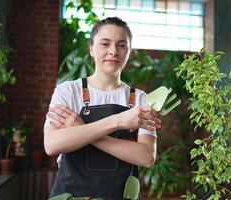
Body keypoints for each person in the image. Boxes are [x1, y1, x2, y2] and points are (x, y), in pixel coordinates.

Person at [43, 17, 161, 199]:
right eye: (105, 44)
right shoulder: (68, 91)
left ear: (129, 51)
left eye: (122, 45)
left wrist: (83, 132)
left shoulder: (140, 99)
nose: (113, 51)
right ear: (91, 48)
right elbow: (52, 145)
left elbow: (146, 157)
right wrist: (119, 121)